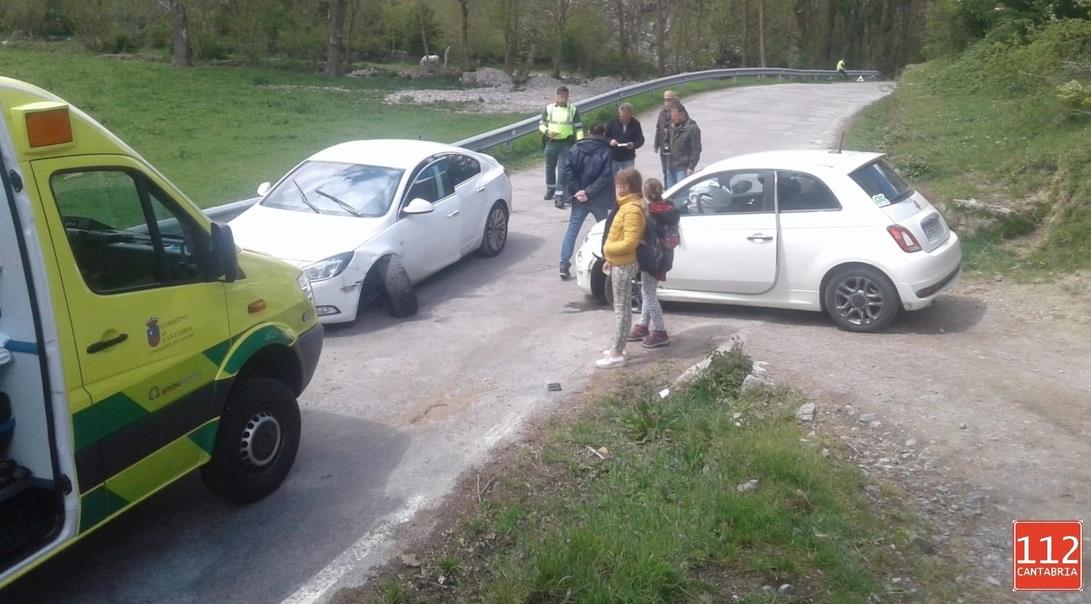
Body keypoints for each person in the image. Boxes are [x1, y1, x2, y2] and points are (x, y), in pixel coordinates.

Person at [597, 168, 646, 369]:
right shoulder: (627, 206)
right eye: (618, 184)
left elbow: (630, 242)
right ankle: (619, 347)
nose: (619, 188)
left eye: (623, 185)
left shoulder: (632, 209)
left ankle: (616, 353)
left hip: (624, 264)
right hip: (619, 262)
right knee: (622, 307)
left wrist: (608, 249)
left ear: (632, 186)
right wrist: (609, 257)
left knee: (621, 309)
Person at [558, 123, 614, 280]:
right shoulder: (606, 151)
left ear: (589, 132)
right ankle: (607, 262)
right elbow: (606, 176)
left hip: (579, 198)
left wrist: (577, 191)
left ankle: (564, 263)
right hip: (599, 198)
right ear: (603, 134)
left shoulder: (575, 148)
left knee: (572, 230)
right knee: (605, 231)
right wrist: (589, 192)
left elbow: (567, 171)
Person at [630, 179, 680, 349]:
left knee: (649, 295)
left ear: (645, 193)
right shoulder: (670, 209)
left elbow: (644, 237)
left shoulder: (649, 214)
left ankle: (660, 332)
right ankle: (643, 326)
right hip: (665, 256)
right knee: (647, 291)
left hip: (652, 258)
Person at [539, 85, 585, 208]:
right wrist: (547, 132)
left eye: (566, 96)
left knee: (563, 170)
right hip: (550, 142)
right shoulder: (549, 109)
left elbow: (579, 128)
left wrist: (580, 143)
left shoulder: (572, 110)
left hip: (566, 144)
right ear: (556, 96)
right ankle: (550, 188)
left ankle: (559, 196)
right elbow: (541, 125)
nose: (563, 98)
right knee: (550, 168)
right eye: (561, 96)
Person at [665, 104, 701, 188]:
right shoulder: (672, 126)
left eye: (674, 115)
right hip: (669, 166)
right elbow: (667, 142)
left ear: (682, 114)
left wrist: (691, 167)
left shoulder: (692, 128)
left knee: (681, 194)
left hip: (682, 168)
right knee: (670, 194)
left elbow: (696, 150)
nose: (672, 118)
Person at [605, 102, 645, 174]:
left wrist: (634, 145)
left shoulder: (635, 123)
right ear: (619, 114)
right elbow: (604, 137)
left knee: (629, 179)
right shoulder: (612, 122)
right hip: (614, 157)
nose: (624, 119)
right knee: (613, 180)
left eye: (627, 117)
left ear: (630, 115)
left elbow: (641, 139)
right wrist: (610, 141)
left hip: (628, 157)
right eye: (622, 117)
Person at [652, 90, 680, 184]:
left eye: (669, 100)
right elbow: (658, 129)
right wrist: (656, 145)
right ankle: (667, 190)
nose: (667, 102)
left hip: (675, 149)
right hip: (664, 148)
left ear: (674, 100)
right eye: (665, 100)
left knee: (674, 172)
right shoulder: (662, 113)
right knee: (665, 171)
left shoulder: (679, 112)